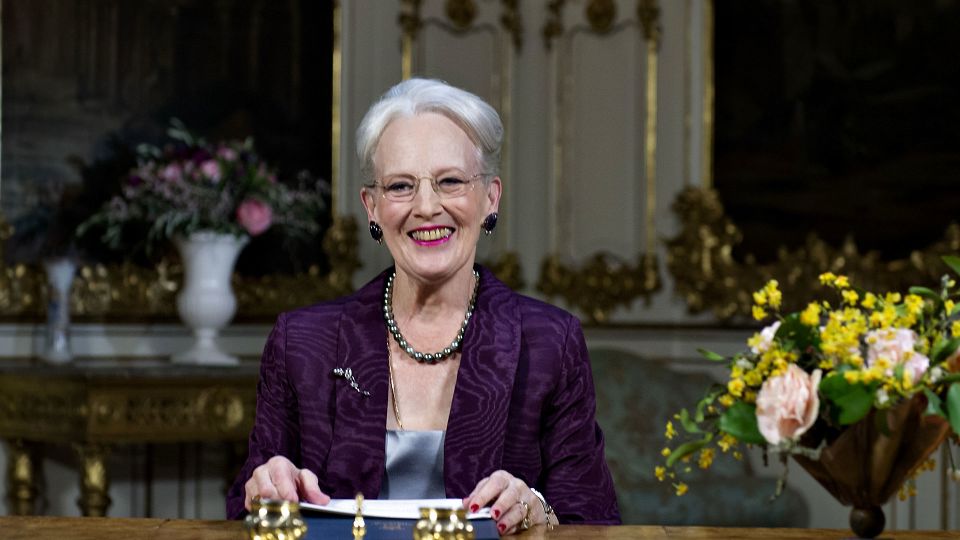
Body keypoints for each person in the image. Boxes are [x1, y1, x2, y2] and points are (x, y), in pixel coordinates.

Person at [226, 78, 620, 533]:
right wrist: (265, 488)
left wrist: (534, 509)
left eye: (450, 181)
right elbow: (243, 513)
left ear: (490, 198)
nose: (427, 207)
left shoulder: (551, 343)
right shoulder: (301, 343)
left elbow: (594, 522)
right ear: (372, 207)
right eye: (401, 186)